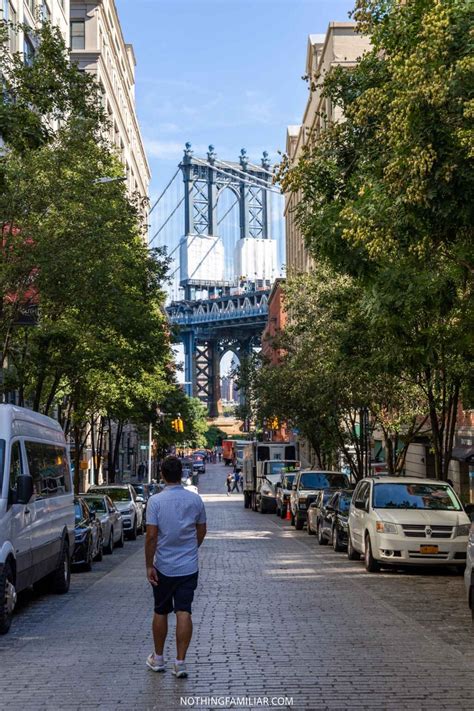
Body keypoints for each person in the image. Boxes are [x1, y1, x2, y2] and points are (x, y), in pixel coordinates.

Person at [145, 456, 207, 678]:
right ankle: (180, 662)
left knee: (160, 610)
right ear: (181, 474)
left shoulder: (155, 502)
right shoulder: (195, 500)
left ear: (162, 474)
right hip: (188, 567)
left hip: (163, 565)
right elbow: (202, 530)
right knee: (184, 611)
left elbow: (151, 536)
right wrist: (191, 548)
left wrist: (148, 564)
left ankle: (158, 658)